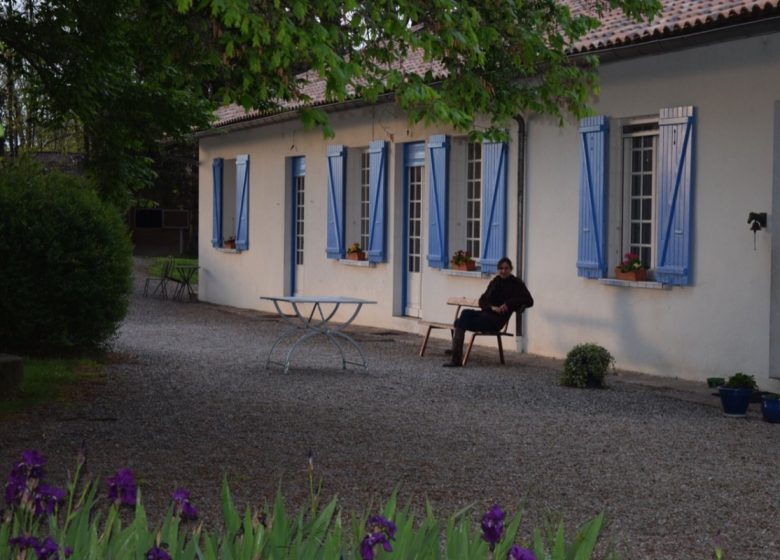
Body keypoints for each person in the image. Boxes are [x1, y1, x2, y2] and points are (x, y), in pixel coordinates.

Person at [443, 257, 533, 367]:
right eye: (501, 268)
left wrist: (509, 303)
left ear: (511, 269)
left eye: (506, 268)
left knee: (460, 322)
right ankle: (456, 354)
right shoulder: (495, 282)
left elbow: (529, 301)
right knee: (464, 314)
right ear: (498, 269)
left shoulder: (516, 284)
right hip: (486, 314)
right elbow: (482, 300)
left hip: (496, 321)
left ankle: (456, 356)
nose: (503, 271)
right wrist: (492, 307)